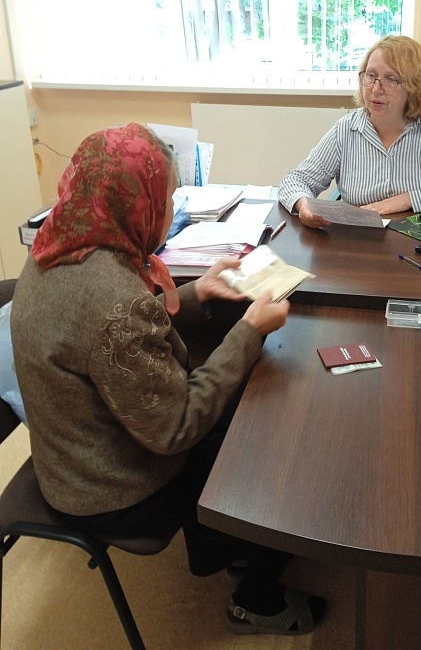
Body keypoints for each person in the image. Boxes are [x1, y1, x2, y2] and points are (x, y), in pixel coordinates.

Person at [10, 123, 325, 636]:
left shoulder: (57, 245)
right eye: (169, 198)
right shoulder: (112, 298)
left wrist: (197, 291)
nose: (171, 209)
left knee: (240, 397)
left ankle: (227, 545)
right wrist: (249, 331)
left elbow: (105, 340)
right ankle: (255, 599)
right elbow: (176, 428)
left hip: (69, 457)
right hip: (110, 491)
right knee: (271, 432)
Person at [278, 34, 421, 228]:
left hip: (418, 245)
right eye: (370, 75)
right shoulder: (347, 129)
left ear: (414, 87)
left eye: (391, 79)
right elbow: (295, 180)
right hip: (361, 243)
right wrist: (303, 204)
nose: (375, 89)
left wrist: (411, 199)